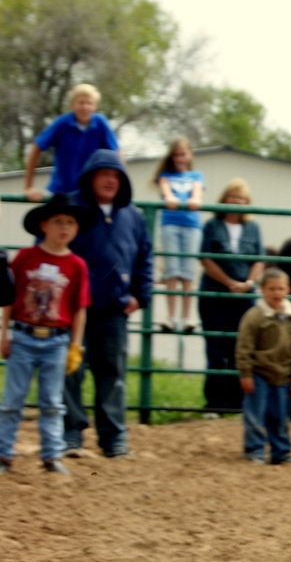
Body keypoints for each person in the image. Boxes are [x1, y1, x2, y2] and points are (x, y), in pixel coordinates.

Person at [63, 150, 154, 459]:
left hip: (114, 309)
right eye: (104, 174)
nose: (110, 180)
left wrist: (140, 296)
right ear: (91, 177)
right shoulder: (70, 206)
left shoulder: (134, 216)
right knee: (70, 371)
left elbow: (145, 258)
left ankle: (114, 439)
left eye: (115, 175)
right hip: (74, 310)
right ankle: (70, 435)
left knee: (112, 374)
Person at [0, 198, 93, 474]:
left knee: (53, 401)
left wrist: (76, 345)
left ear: (76, 228)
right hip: (25, 336)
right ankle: (4, 453)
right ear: (44, 225)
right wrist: (4, 332)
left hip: (56, 340)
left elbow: (79, 309)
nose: (64, 227)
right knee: (12, 399)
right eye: (58, 221)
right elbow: (8, 297)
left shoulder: (77, 265)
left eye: (70, 222)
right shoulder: (26, 258)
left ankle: (52, 455)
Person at [198, 179, 265, 413]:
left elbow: (259, 258)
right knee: (215, 347)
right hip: (215, 294)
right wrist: (229, 282)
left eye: (242, 199)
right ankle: (214, 403)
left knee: (241, 347)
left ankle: (238, 402)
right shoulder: (212, 226)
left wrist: (248, 283)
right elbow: (206, 259)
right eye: (233, 197)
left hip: (244, 297)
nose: (237, 202)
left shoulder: (253, 227)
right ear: (224, 199)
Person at [236, 268, 291, 465]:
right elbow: (244, 346)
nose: (276, 293)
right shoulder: (255, 316)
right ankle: (255, 449)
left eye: (280, 288)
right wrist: (246, 373)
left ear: (288, 290)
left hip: (283, 374)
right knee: (255, 414)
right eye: (271, 289)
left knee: (280, 415)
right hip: (259, 372)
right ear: (262, 290)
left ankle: (281, 451)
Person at [23, 83, 119, 202]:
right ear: (72, 105)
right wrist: (28, 187)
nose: (84, 107)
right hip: (62, 191)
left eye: (89, 103)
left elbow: (116, 154)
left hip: (90, 194)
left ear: (95, 106)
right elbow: (36, 147)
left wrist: (118, 190)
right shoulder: (62, 123)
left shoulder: (100, 124)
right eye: (81, 103)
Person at [153, 137, 205, 333]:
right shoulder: (165, 176)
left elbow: (198, 193)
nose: (180, 158)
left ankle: (187, 317)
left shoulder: (196, 176)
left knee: (189, 271)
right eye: (176, 154)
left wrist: (195, 198)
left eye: (183, 154)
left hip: (191, 225)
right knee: (172, 271)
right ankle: (171, 316)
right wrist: (169, 196)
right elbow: (166, 189)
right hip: (171, 224)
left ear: (190, 155)